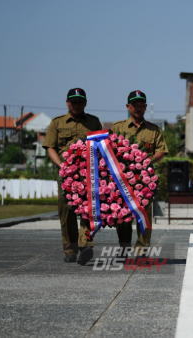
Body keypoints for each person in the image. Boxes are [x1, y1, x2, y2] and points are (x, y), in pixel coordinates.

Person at [43, 88, 102, 265]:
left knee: (88, 210)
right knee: (66, 212)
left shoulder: (93, 122)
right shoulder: (57, 123)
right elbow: (50, 147)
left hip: (88, 174)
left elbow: (101, 145)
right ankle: (70, 250)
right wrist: (61, 166)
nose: (76, 105)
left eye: (80, 102)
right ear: (67, 103)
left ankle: (85, 246)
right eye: (73, 102)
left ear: (85, 103)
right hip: (66, 176)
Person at [111, 90, 168, 257]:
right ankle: (124, 248)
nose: (138, 108)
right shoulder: (117, 127)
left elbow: (161, 151)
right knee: (122, 214)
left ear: (145, 107)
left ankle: (141, 249)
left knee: (144, 215)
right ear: (128, 107)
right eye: (135, 105)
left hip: (144, 180)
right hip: (121, 178)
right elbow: (109, 150)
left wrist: (146, 161)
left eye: (141, 105)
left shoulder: (154, 129)